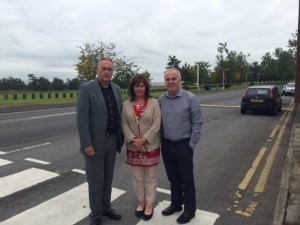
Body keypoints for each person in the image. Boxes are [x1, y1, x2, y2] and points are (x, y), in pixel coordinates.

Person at [76, 57, 124, 225]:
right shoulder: (87, 89)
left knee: (108, 178)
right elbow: (82, 121)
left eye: (109, 69)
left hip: (112, 141)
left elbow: (120, 115)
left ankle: (106, 207)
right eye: (103, 68)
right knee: (96, 181)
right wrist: (86, 144)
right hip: (94, 144)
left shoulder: (117, 89)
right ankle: (96, 214)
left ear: (112, 71)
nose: (106, 72)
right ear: (98, 70)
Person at [158, 68, 202, 224]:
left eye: (173, 79)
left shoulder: (191, 99)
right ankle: (176, 204)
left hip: (184, 145)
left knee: (186, 179)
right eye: (168, 79)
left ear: (179, 80)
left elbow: (197, 123)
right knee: (173, 178)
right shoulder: (161, 99)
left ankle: (190, 209)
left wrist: (191, 145)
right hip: (167, 145)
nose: (170, 82)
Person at [121, 75, 161, 221]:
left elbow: (157, 124)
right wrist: (134, 141)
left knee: (150, 178)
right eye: (136, 86)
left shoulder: (154, 103)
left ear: (146, 87)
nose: (139, 88)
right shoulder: (126, 104)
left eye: (142, 85)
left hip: (151, 146)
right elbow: (124, 124)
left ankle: (149, 204)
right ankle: (141, 201)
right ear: (132, 88)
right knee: (137, 178)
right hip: (133, 148)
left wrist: (143, 140)